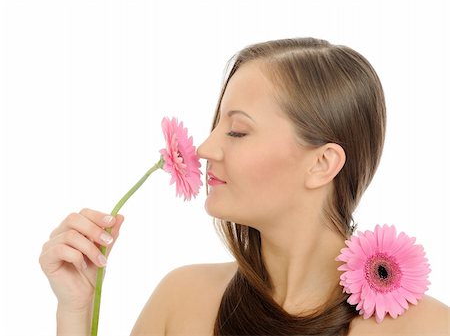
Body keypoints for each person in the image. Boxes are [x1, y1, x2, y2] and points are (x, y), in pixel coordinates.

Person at [39, 37, 449, 336]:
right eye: (216, 124)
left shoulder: (426, 327)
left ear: (322, 163)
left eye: (236, 131)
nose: (203, 148)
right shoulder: (179, 300)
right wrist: (76, 313)